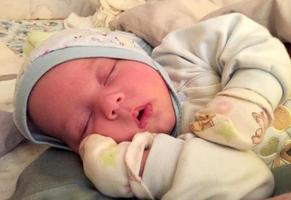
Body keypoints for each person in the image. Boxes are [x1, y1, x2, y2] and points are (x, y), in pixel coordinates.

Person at [13, 13, 291, 199]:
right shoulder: (145, 154)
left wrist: (249, 93)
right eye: (84, 123)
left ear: (136, 55)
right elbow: (248, 180)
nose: (110, 103)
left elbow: (245, 37)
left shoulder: (181, 57)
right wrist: (126, 168)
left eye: (109, 74)